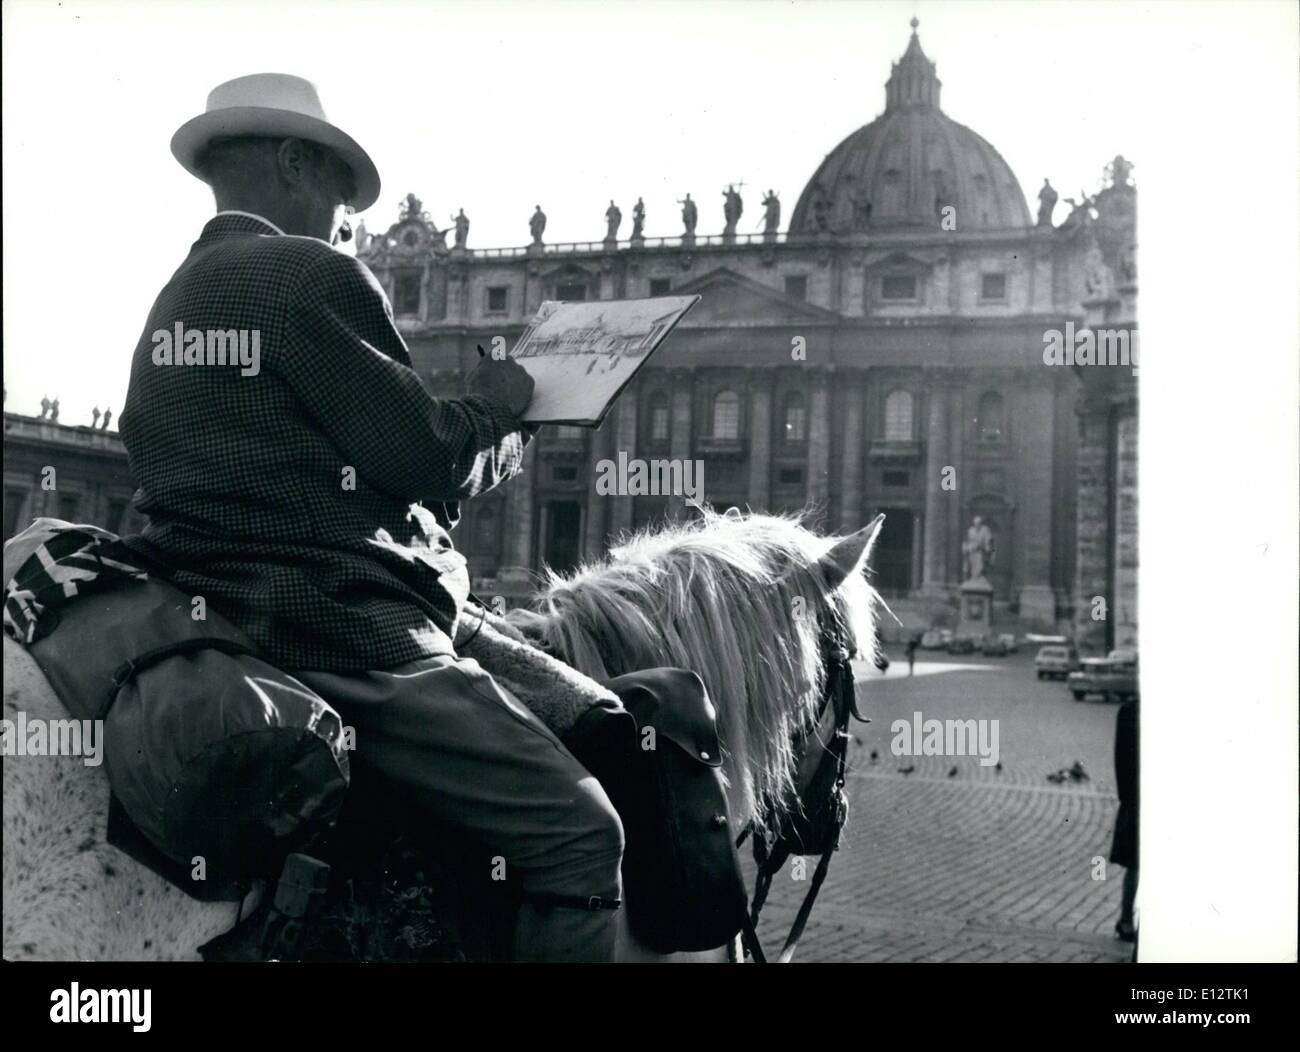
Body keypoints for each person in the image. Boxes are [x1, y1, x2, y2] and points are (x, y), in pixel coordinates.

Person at [119, 73, 627, 962]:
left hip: (196, 604)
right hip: (330, 623)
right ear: (291, 163)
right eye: (340, 195)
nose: (346, 221)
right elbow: (426, 460)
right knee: (582, 831)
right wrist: (507, 408)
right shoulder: (309, 272)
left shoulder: (175, 294)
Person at [1111, 697, 1139, 944]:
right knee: (1136, 863)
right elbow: (1121, 757)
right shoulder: (1130, 710)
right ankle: (1126, 919)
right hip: (1139, 799)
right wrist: (1128, 799)